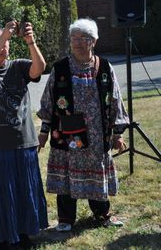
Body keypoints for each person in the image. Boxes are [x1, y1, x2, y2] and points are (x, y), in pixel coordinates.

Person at [37, 18, 129, 232]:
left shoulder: (105, 67)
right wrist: (43, 132)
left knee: (96, 172)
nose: (77, 42)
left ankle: (102, 214)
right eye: (74, 38)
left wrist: (118, 134)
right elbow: (48, 102)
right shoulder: (60, 68)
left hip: (98, 136)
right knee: (68, 176)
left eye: (83, 38)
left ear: (93, 41)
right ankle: (66, 219)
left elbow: (115, 101)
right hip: (67, 134)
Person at [0, 21, 48, 249]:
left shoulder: (18, 66)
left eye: (5, 42)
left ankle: (24, 234)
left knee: (24, 193)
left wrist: (30, 42)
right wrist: (4, 35)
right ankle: (2, 238)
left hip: (23, 143)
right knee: (2, 196)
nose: (3, 46)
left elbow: (39, 68)